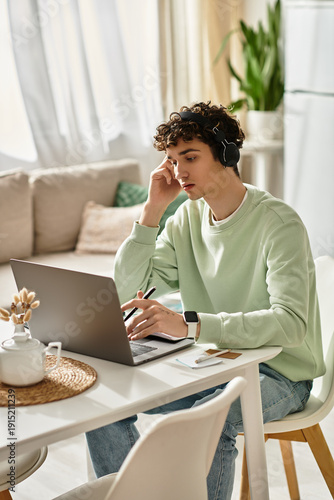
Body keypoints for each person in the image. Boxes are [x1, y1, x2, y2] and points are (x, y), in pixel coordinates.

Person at [86, 101, 325, 499]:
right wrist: (151, 212)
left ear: (228, 154)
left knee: (207, 423)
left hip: (281, 374)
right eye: (172, 160)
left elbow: (290, 324)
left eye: (190, 157)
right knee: (104, 406)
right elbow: (129, 288)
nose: (178, 171)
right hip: (211, 364)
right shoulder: (185, 220)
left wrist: (192, 325)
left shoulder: (278, 223)